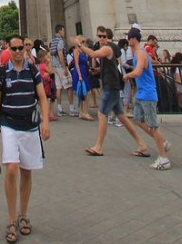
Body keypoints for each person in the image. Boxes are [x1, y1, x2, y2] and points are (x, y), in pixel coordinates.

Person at [0, 34, 50, 242]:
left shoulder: (33, 70)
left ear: (25, 49)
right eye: (14, 48)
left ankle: (23, 215)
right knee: (12, 168)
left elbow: (42, 97)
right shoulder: (2, 71)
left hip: (29, 125)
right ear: (9, 49)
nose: (17, 52)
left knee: (27, 172)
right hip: (8, 123)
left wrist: (45, 122)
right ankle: (11, 219)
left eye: (20, 48)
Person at [71, 28, 146, 157]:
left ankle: (98, 146)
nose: (101, 38)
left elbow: (93, 54)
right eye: (99, 36)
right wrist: (98, 70)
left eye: (103, 36)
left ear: (108, 37)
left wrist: (79, 45)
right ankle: (141, 143)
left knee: (102, 114)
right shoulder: (110, 48)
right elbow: (109, 65)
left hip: (110, 87)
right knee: (122, 117)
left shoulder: (107, 48)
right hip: (112, 86)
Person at [124, 28, 172, 169]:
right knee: (138, 119)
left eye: (128, 38)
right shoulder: (137, 53)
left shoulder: (140, 53)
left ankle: (164, 159)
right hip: (140, 93)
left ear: (133, 39)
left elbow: (138, 71)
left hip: (148, 94)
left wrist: (127, 75)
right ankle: (162, 142)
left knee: (152, 125)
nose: (127, 40)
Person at [50, 23, 74, 116]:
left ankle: (59, 108)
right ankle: (72, 108)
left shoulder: (53, 41)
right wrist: (64, 67)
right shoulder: (60, 41)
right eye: (63, 30)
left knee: (59, 87)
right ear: (60, 31)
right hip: (60, 66)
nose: (64, 32)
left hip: (55, 66)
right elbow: (60, 53)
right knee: (69, 86)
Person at [71, 35, 92, 120]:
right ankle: (85, 112)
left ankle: (81, 112)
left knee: (83, 93)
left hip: (84, 72)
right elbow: (76, 63)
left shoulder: (82, 51)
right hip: (79, 72)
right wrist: (79, 75)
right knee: (87, 92)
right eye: (82, 42)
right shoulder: (76, 51)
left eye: (84, 42)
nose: (84, 43)